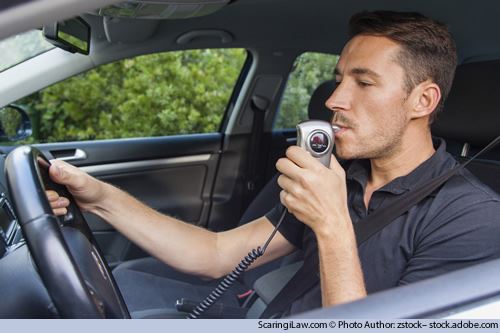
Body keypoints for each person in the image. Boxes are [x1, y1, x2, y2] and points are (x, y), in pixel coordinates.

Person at [47, 11, 500, 317]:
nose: (335, 99)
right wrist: (102, 199)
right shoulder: (341, 177)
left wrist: (331, 225)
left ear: (423, 100)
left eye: (364, 82)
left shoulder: (471, 218)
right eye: (340, 78)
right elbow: (217, 255)